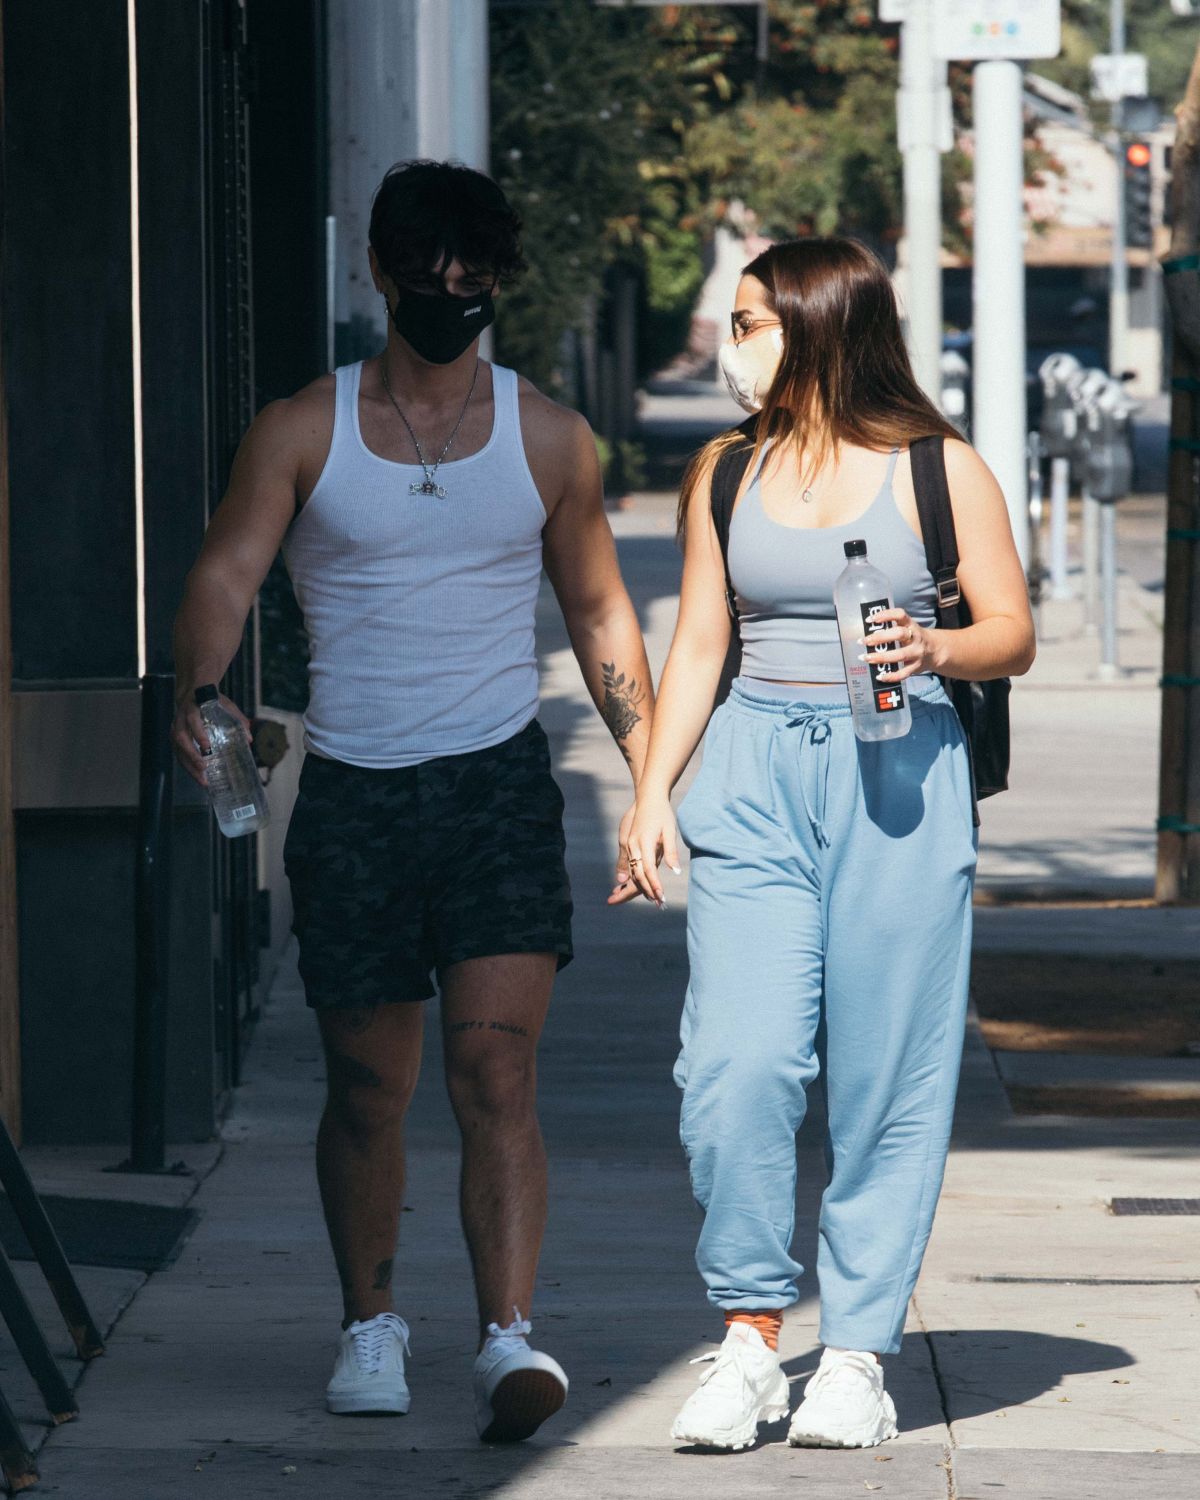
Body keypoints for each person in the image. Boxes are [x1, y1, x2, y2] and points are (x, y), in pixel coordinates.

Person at [172, 160, 653, 1443]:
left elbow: (601, 605)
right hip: (358, 788)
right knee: (367, 1086)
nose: (455, 293)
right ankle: (371, 1324)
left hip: (497, 782)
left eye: (477, 274)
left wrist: (652, 769)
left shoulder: (548, 435)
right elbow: (229, 566)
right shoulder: (302, 428)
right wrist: (202, 686)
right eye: (432, 271)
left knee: (496, 1070)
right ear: (380, 273)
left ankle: (508, 1340)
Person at [612, 237, 1034, 1453]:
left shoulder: (940, 471)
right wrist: (652, 794)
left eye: (753, 323)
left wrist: (936, 648)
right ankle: (749, 1336)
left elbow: (1010, 630)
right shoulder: (724, 472)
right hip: (753, 773)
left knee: (888, 1076)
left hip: (901, 776)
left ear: (819, 328)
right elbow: (698, 642)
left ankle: (854, 1351)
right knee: (734, 1067)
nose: (735, 345)